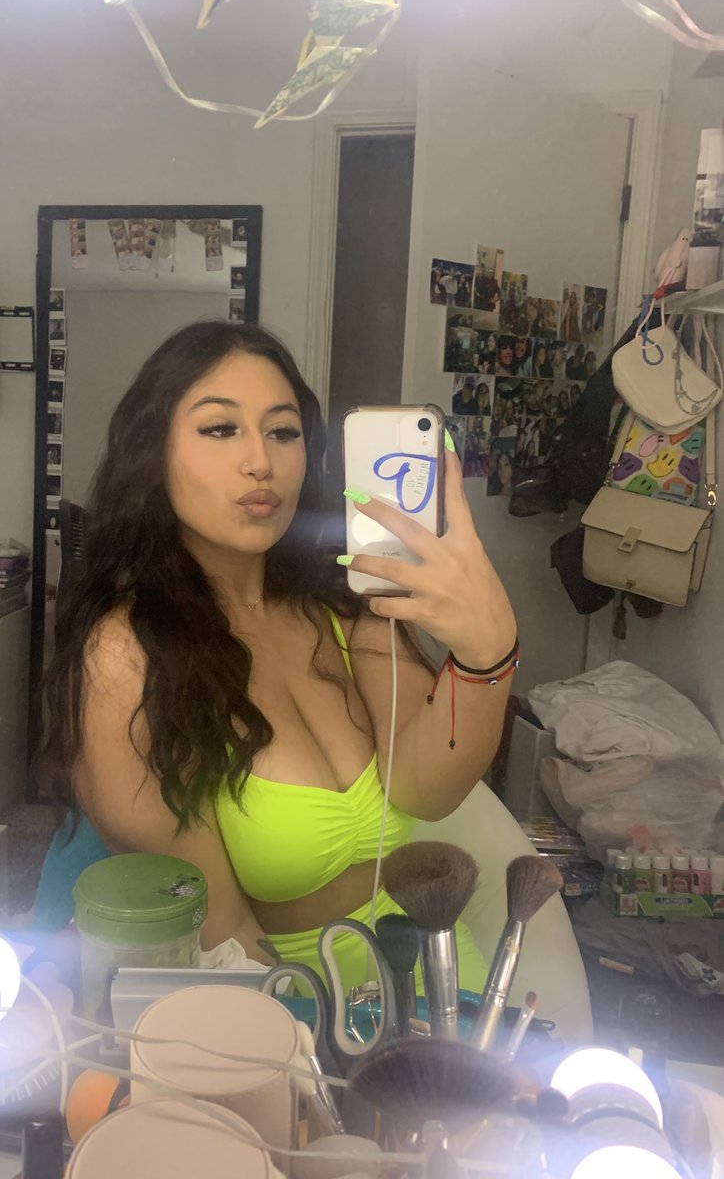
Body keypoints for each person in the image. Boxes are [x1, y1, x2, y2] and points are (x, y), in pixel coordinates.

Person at [34, 321, 516, 993]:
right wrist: (316, 1039)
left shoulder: (344, 603)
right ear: (154, 453)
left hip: (427, 966)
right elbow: (217, 929)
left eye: (284, 432)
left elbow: (426, 792)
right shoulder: (127, 657)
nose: (261, 461)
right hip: (277, 991)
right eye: (220, 429)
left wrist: (487, 649)